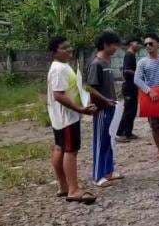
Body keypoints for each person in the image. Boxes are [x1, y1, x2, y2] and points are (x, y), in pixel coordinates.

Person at [47, 36, 97, 204]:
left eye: (69, 46)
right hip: (67, 117)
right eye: (64, 48)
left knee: (60, 147)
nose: (69, 49)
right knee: (70, 150)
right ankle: (74, 190)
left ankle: (63, 186)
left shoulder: (62, 66)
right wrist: (80, 109)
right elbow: (58, 95)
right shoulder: (59, 69)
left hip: (62, 117)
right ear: (54, 52)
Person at [86, 31, 123, 187]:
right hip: (101, 110)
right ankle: (97, 176)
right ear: (106, 45)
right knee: (101, 142)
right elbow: (90, 87)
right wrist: (105, 100)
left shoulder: (107, 62)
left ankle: (108, 172)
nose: (116, 48)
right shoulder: (96, 64)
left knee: (109, 140)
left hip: (111, 107)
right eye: (114, 45)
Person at [116, 38, 141, 142]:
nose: (139, 45)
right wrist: (139, 74)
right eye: (137, 43)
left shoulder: (132, 55)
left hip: (132, 86)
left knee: (132, 110)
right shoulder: (129, 55)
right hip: (129, 87)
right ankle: (120, 133)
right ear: (131, 43)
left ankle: (128, 132)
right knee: (128, 111)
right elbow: (126, 71)